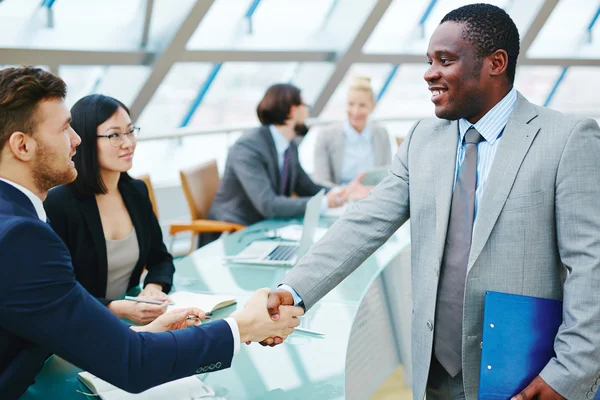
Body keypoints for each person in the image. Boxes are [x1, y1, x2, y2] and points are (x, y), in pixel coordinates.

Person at [265, 4, 600, 400]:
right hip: (433, 372)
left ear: (496, 63)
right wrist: (293, 290)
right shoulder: (422, 138)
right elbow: (364, 224)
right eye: (428, 61)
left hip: (525, 374)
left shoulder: (566, 138)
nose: (429, 74)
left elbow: (590, 264)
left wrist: (569, 373)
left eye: (445, 60)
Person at [0, 66, 304, 399]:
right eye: (64, 129)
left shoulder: (18, 219)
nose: (76, 140)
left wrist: (147, 334)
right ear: (22, 146)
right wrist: (246, 325)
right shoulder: (21, 237)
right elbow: (133, 363)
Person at [44, 94, 174, 325]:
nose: (128, 143)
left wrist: (153, 288)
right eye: (114, 135)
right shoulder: (59, 203)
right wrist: (117, 308)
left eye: (130, 131)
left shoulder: (136, 191)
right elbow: (58, 291)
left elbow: (161, 258)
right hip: (80, 325)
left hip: (131, 321)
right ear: (83, 140)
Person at [208, 83, 366, 227]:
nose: (307, 113)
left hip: (267, 227)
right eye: (305, 106)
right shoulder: (247, 148)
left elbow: (306, 187)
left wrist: (342, 191)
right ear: (292, 111)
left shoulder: (288, 146)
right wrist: (324, 203)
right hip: (235, 232)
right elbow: (268, 204)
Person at [313, 76, 392, 186]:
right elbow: (321, 182)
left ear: (372, 107)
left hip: (373, 198)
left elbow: (386, 176)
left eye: (362, 105)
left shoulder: (381, 134)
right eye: (351, 104)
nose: (356, 111)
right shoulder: (326, 136)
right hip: (340, 200)